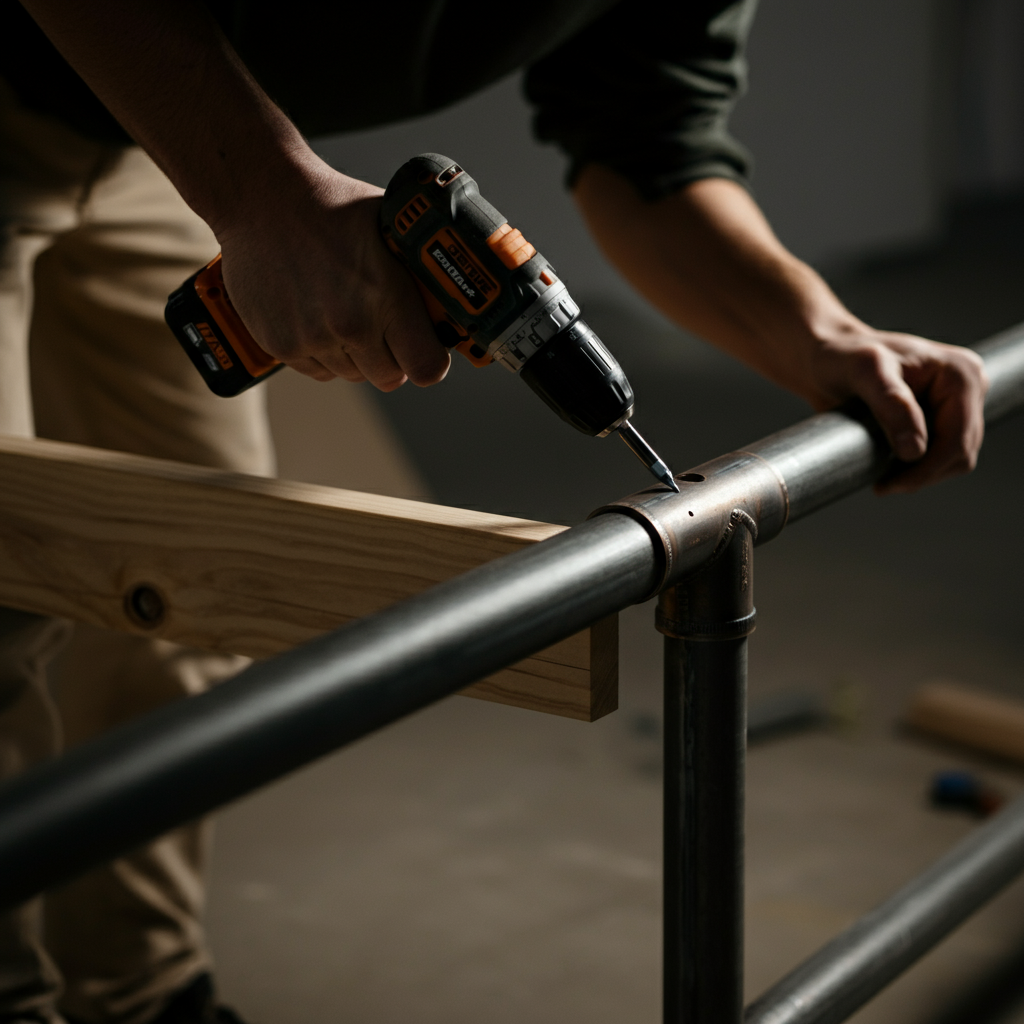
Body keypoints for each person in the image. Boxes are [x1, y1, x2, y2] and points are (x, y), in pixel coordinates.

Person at [0, 1, 988, 1022]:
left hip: (140, 124)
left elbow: (648, 153)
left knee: (190, 585)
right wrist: (259, 192)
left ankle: (140, 992)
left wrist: (816, 334)